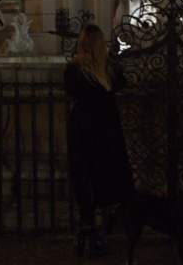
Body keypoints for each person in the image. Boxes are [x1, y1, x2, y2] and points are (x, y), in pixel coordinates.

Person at [64, 24, 134, 257]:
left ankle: (86, 228)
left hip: (81, 128)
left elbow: (71, 92)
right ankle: (99, 227)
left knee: (83, 177)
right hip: (105, 128)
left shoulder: (73, 69)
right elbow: (122, 85)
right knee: (106, 174)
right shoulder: (110, 67)